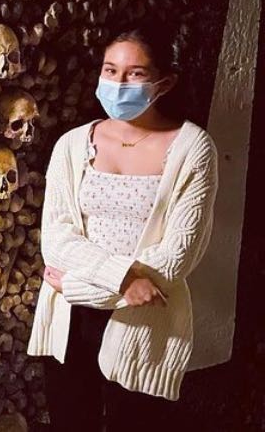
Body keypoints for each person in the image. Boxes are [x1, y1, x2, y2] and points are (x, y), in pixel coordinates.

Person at [27, 22, 219, 431]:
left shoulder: (193, 148)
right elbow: (58, 241)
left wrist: (77, 284)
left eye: (135, 74)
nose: (119, 82)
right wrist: (124, 280)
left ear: (164, 83)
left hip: (146, 318)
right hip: (72, 322)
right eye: (110, 70)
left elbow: (177, 257)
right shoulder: (72, 145)